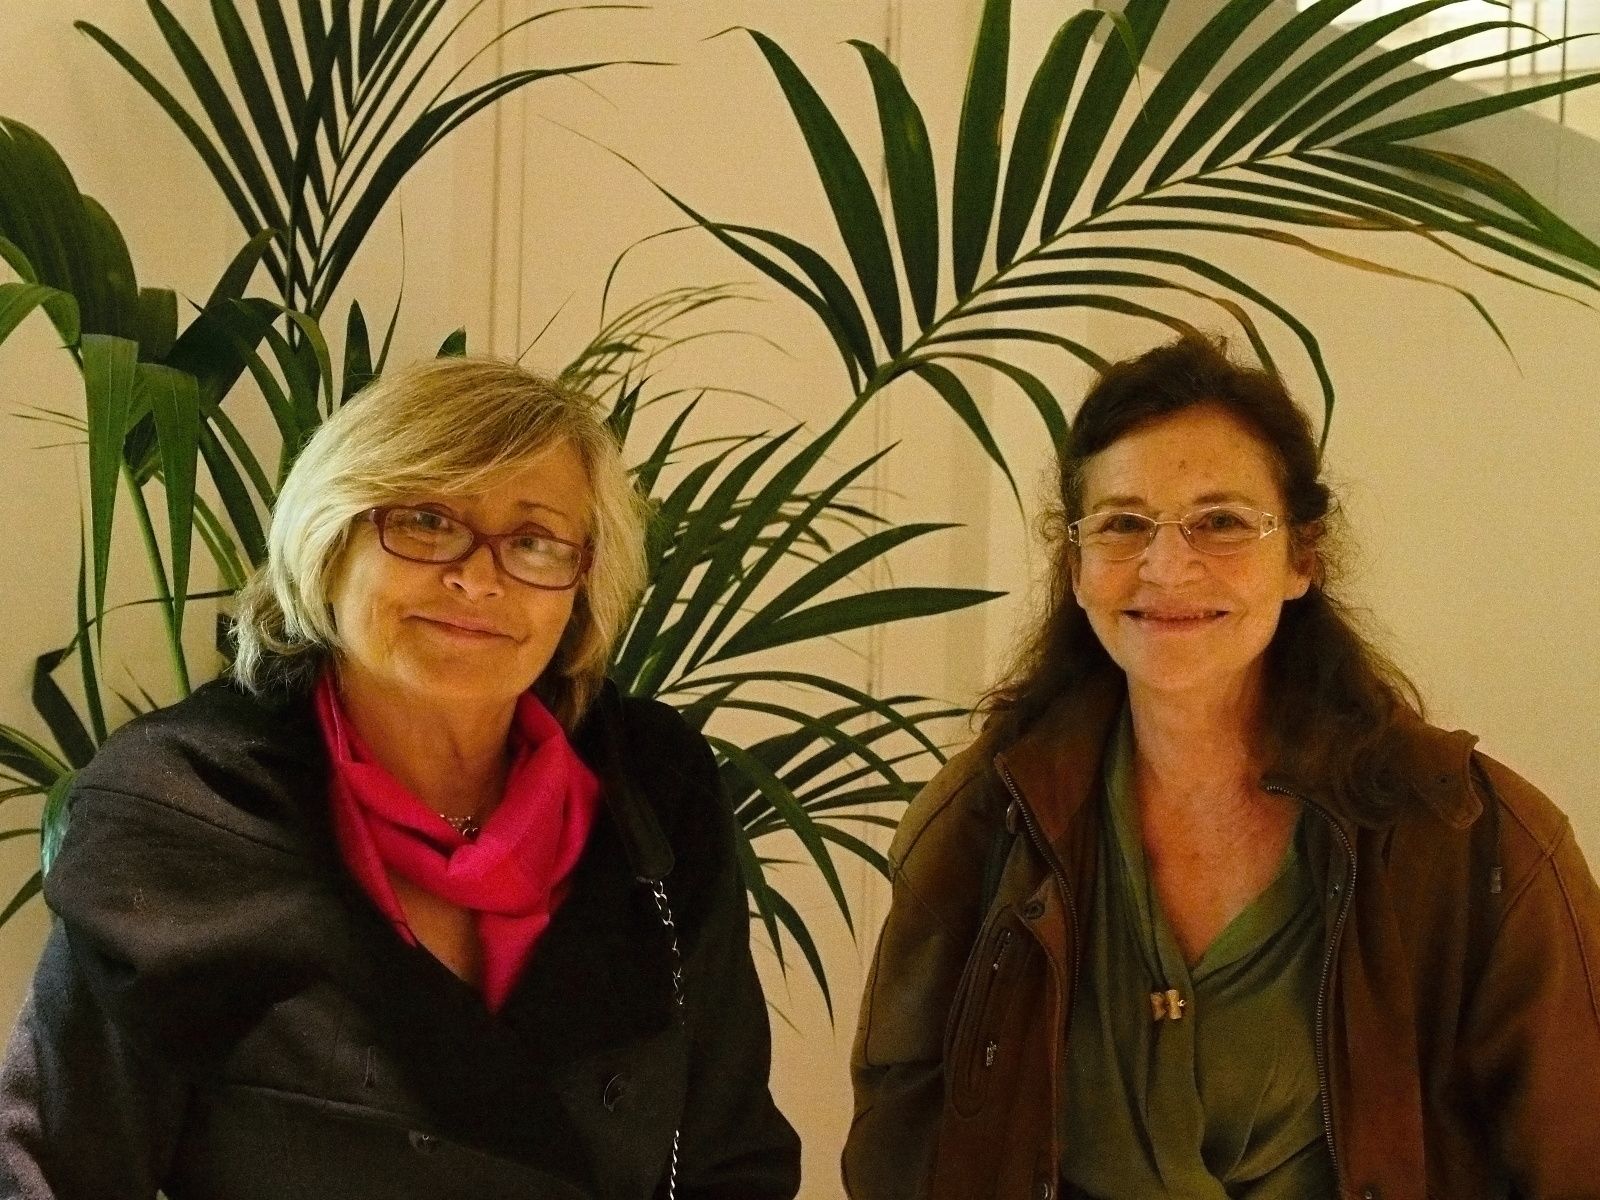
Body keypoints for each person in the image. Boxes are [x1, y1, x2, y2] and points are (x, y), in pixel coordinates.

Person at [0, 357, 801, 1199]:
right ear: (330, 538)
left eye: (533, 542)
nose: (478, 579)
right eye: (426, 521)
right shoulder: (181, 811)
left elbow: (730, 1156)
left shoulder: (653, 789)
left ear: (582, 581)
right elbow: (47, 1175)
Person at [843, 334, 1600, 1200]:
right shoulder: (983, 819)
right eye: (1124, 524)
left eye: (1222, 522)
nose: (1168, 566)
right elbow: (902, 1150)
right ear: (1076, 565)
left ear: (1302, 558)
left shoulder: (1475, 841)